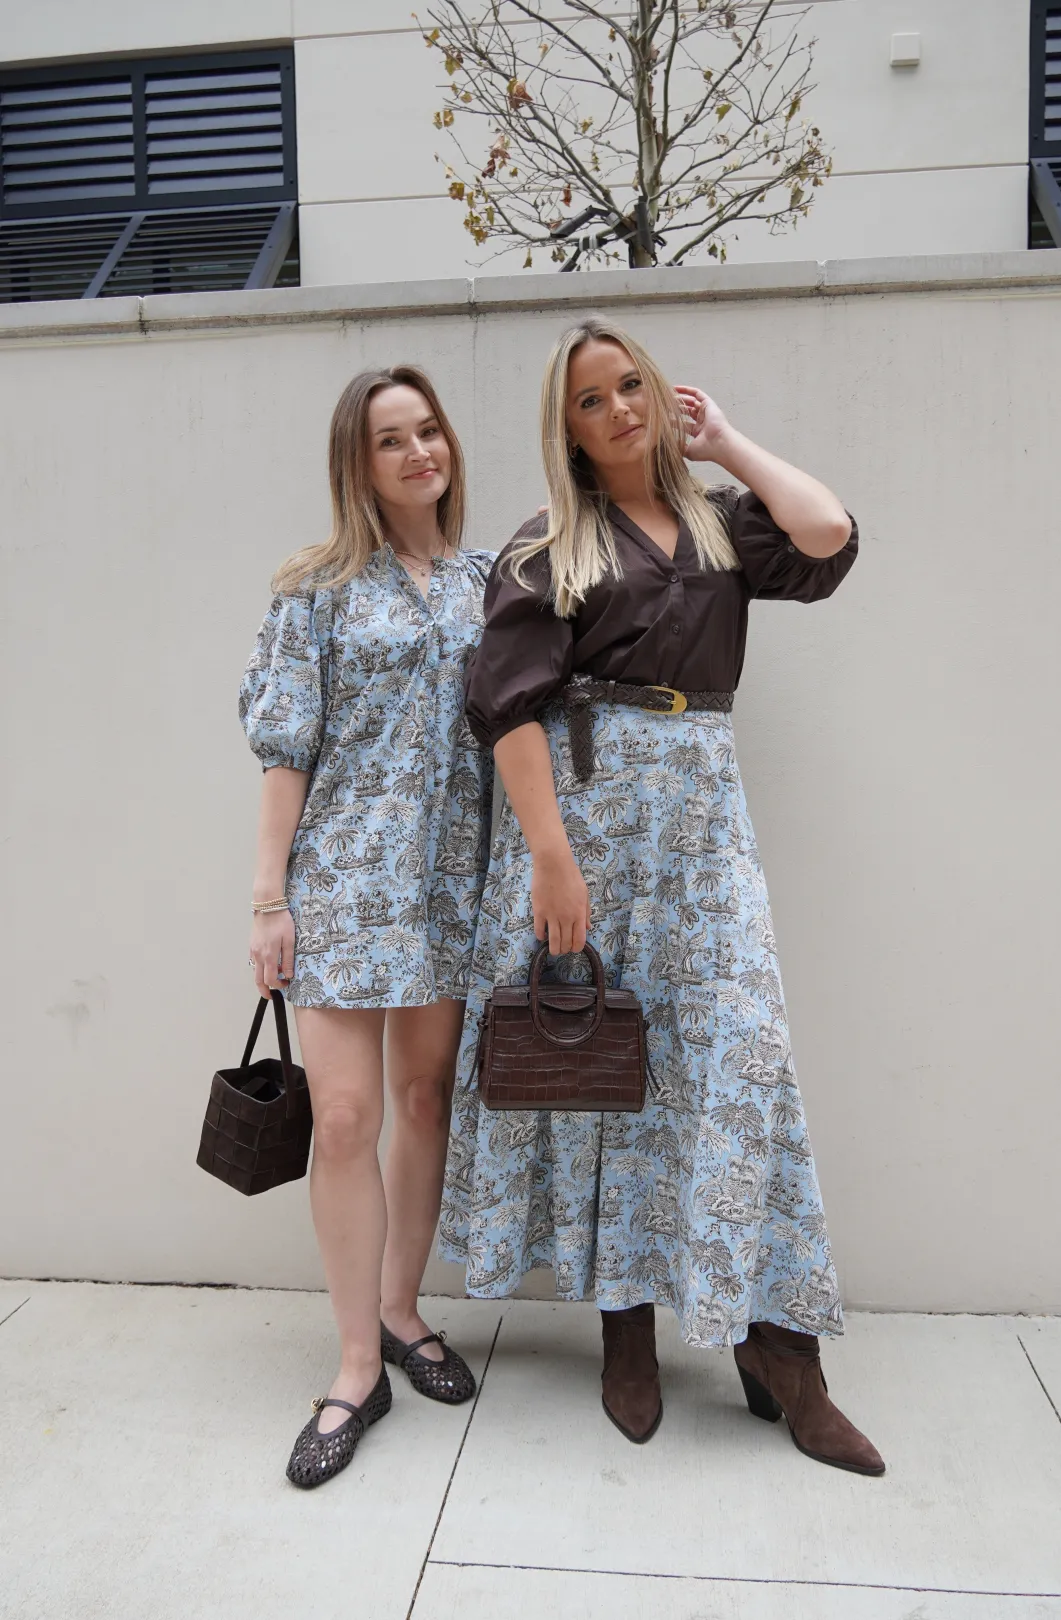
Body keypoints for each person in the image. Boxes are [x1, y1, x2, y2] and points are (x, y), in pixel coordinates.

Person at [439, 317, 884, 1476]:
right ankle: (624, 1328)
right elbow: (508, 705)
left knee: (741, 1059)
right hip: (587, 827)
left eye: (630, 384)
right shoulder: (547, 544)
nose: (620, 410)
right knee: (607, 1067)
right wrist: (550, 856)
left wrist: (726, 442)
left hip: (702, 827)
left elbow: (829, 535)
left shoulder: (722, 520)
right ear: (569, 429)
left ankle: (782, 1352)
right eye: (591, 400)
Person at [240, 366, 494, 1489]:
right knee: (342, 1118)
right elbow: (287, 746)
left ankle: (400, 1309)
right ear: (358, 461)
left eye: (428, 430)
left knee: (425, 1100)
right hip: (343, 882)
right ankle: (355, 1367)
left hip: (452, 883)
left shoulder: (491, 583)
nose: (417, 451)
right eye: (391, 438)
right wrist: (269, 898)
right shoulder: (318, 587)